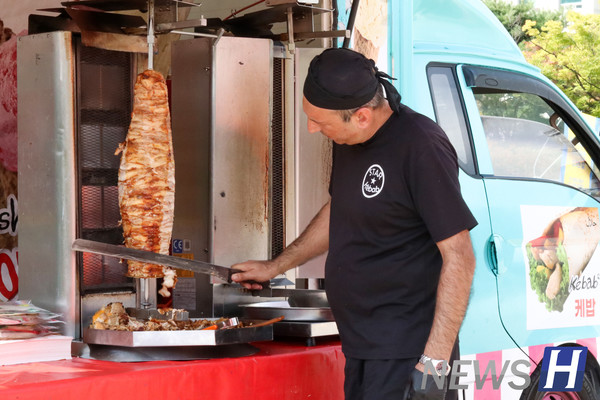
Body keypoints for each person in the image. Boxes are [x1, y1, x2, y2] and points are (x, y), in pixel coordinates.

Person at [231, 48, 477, 400]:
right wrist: (275, 266)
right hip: (362, 345)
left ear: (362, 116)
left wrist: (436, 364)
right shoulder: (349, 139)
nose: (313, 129)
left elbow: (460, 257)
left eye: (320, 122)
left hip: (408, 354)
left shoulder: (421, 146)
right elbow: (341, 210)